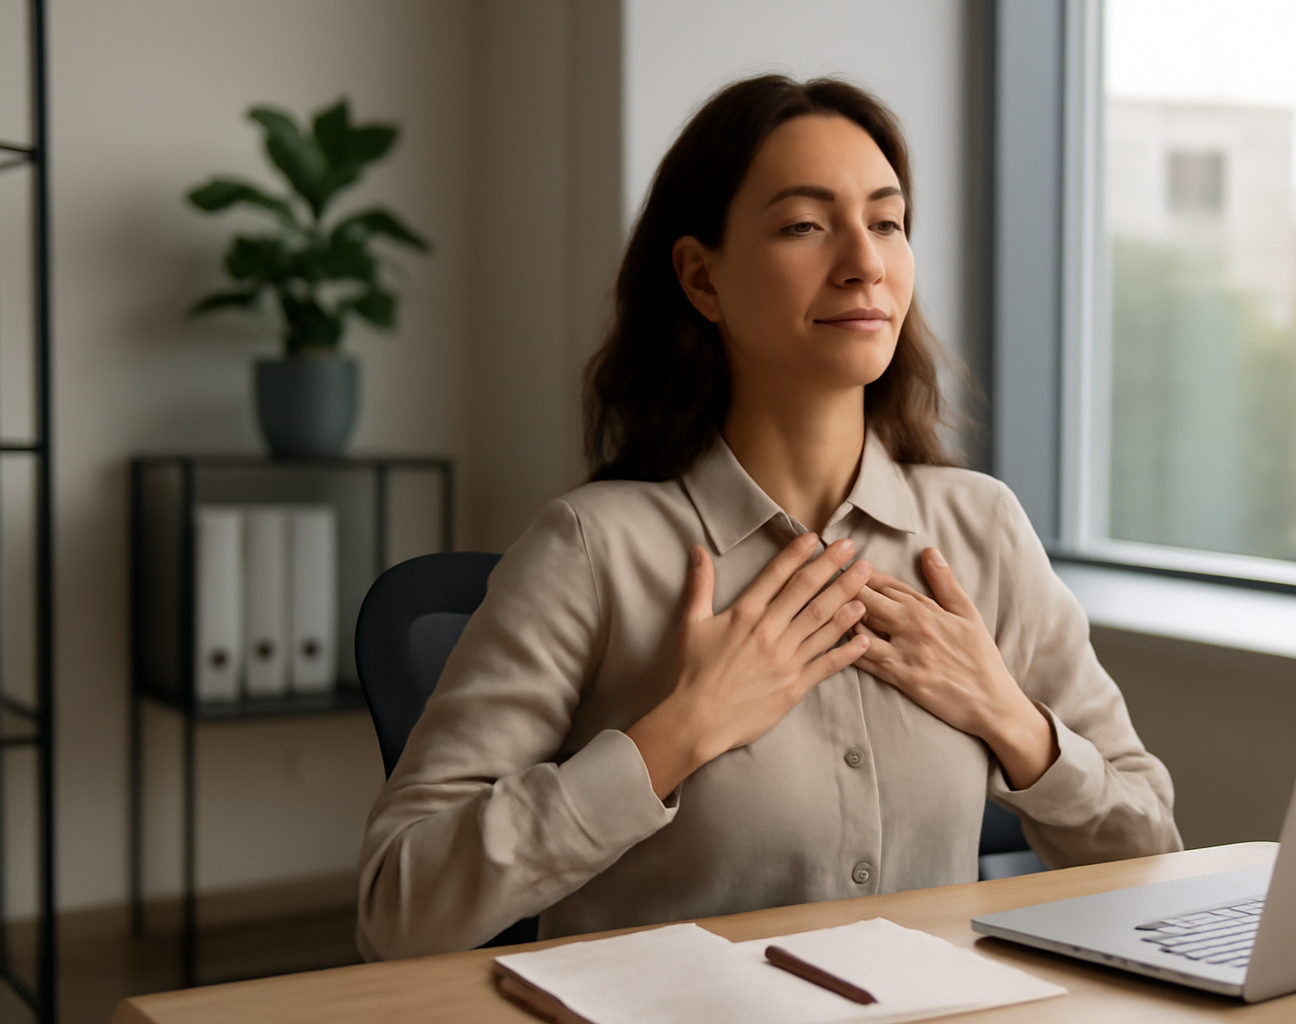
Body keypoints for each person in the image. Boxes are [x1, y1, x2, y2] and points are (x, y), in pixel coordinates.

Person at [356, 75, 1181, 961]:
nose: (865, 262)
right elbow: (398, 910)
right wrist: (675, 735)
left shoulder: (982, 531)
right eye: (805, 224)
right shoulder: (591, 550)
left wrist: (1012, 720)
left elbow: (1151, 857)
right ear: (701, 277)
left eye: (888, 222)